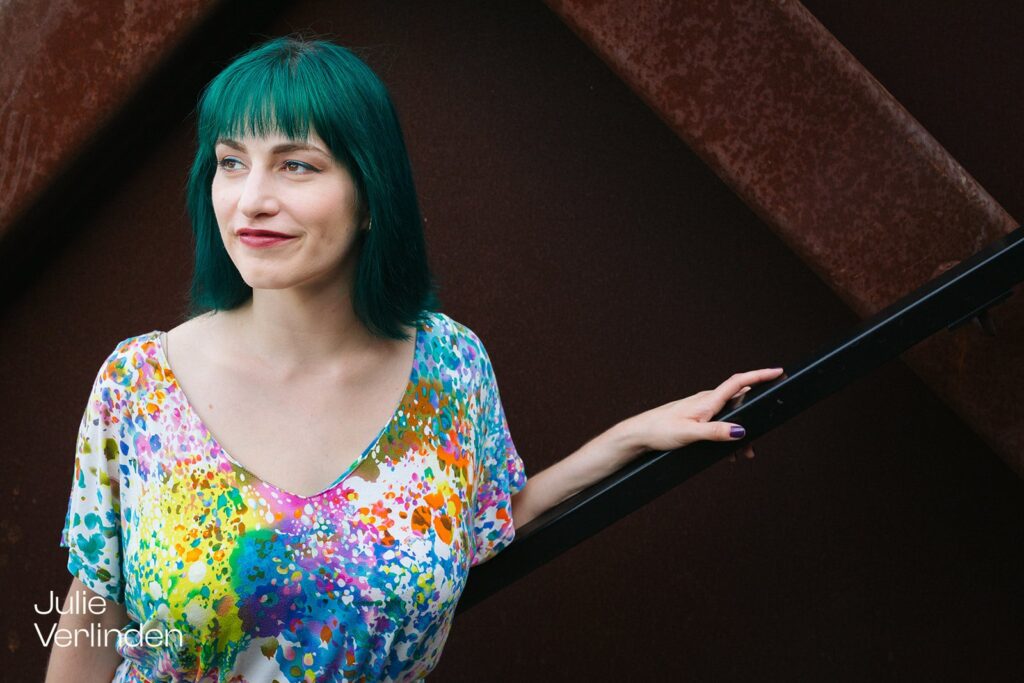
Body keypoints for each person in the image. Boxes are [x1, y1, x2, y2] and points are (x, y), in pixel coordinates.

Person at [45, 35, 783, 683]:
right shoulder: (140, 386)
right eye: (231, 162)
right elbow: (91, 615)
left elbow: (476, 523)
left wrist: (627, 441)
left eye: (296, 165)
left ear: (371, 195)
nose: (251, 199)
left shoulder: (448, 368)